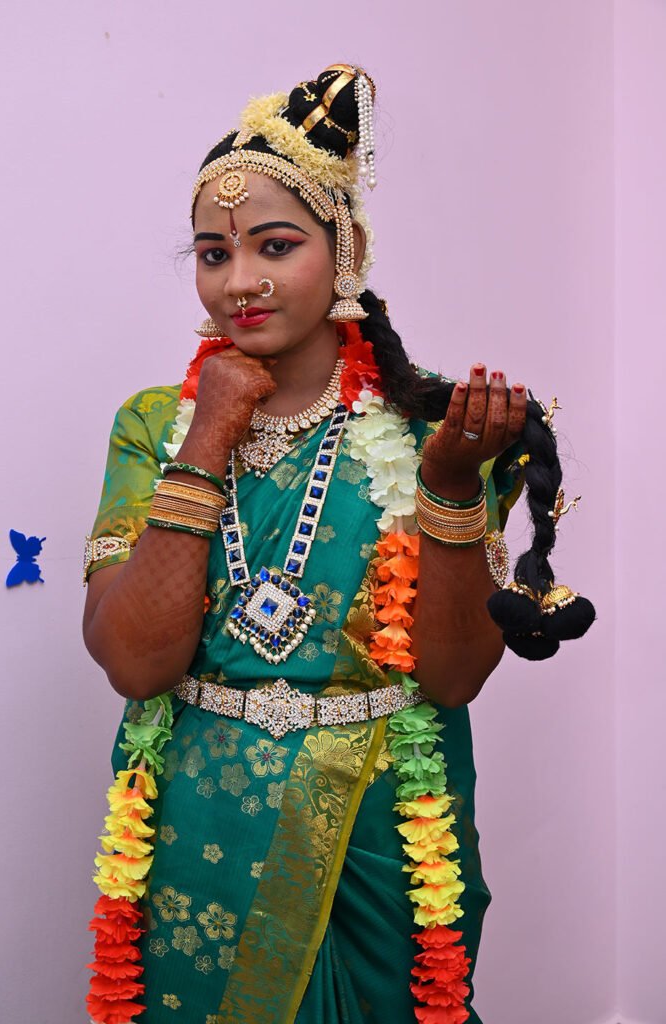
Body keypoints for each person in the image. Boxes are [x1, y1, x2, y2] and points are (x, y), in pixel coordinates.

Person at [82, 64, 595, 1024]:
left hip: (377, 831)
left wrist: (446, 490)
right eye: (212, 252)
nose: (239, 281)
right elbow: (131, 659)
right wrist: (205, 440)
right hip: (199, 830)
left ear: (346, 249)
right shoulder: (154, 425)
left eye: (275, 245)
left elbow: (449, 681)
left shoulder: (430, 427)